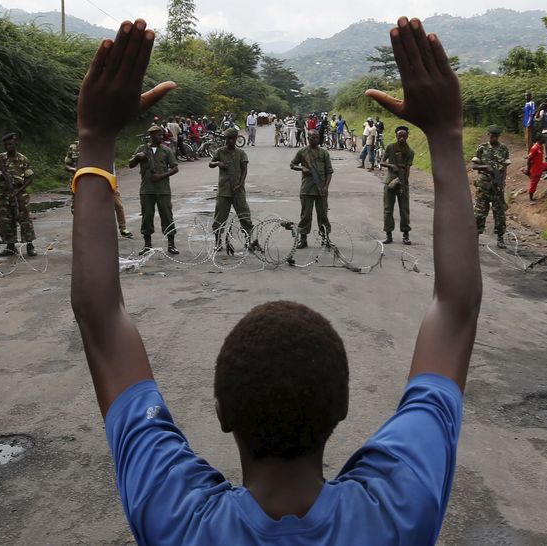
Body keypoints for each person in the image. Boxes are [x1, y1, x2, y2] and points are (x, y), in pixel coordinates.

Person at [71, 15, 480, 545]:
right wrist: (447, 138)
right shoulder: (395, 511)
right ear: (344, 409)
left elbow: (100, 319)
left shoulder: (181, 523)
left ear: (219, 413)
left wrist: (93, 137)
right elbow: (455, 310)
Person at [129, 125, 180, 253]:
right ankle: (147, 245)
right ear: (151, 136)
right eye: (158, 135)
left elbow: (175, 168)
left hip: (163, 189)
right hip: (147, 189)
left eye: (162, 135)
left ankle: (171, 244)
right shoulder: (142, 149)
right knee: (147, 216)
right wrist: (137, 157)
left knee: (167, 215)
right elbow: (130, 164)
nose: (161, 137)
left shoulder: (166, 150)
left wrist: (161, 176)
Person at [65, 140, 133, 238]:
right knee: (78, 208)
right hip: (79, 181)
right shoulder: (74, 147)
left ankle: (123, 228)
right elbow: (67, 165)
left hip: (103, 180)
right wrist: (75, 170)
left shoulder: (101, 145)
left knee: (117, 204)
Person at [209, 128, 259, 251]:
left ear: (236, 139)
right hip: (224, 190)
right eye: (227, 139)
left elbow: (244, 170)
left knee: (245, 216)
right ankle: (218, 241)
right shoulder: (220, 152)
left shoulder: (241, 153)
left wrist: (240, 184)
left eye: (232, 138)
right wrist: (217, 164)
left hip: (238, 190)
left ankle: (248, 240)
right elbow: (210, 163)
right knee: (219, 217)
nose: (229, 141)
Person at [0, 133, 36, 257]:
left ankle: (30, 246)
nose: (8, 147)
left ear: (16, 144)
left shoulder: (23, 159)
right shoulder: (0, 158)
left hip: (20, 194)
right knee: (6, 220)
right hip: (5, 194)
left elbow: (30, 178)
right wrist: (1, 175)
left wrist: (18, 190)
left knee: (25, 220)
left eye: (10, 144)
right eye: (6, 145)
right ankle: (10, 247)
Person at [290, 130, 333, 249]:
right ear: (308, 138)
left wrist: (326, 187)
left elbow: (329, 171)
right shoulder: (302, 152)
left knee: (323, 215)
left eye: (317, 137)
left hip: (321, 189)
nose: (315, 139)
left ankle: (325, 238)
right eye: (313, 137)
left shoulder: (324, 153)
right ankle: (303, 239)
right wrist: (302, 168)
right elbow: (292, 164)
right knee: (306, 216)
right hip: (307, 189)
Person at [472, 125, 510, 249]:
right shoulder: (482, 148)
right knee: (479, 213)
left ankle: (500, 238)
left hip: (497, 185)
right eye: (492, 136)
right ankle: (475, 236)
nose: (494, 138)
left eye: (496, 136)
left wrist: (501, 183)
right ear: (488, 135)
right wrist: (486, 167)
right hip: (483, 185)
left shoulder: (503, 149)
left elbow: (505, 168)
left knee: (499, 213)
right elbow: (474, 166)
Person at [380, 126, 415, 245]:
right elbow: (382, 161)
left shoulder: (410, 152)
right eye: (399, 135)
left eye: (404, 136)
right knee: (388, 209)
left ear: (407, 136)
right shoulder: (390, 147)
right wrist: (392, 166)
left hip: (403, 182)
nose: (401, 138)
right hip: (390, 182)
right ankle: (388, 234)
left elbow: (408, 169)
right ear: (396, 136)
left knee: (404, 210)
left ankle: (406, 234)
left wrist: (404, 184)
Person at [524, 133, 547, 201]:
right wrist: (528, 170)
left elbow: (530, 156)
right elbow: (529, 160)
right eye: (543, 138)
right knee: (534, 183)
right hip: (535, 168)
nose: (545, 139)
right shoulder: (535, 148)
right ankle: (531, 198)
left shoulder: (540, 146)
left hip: (540, 165)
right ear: (540, 139)